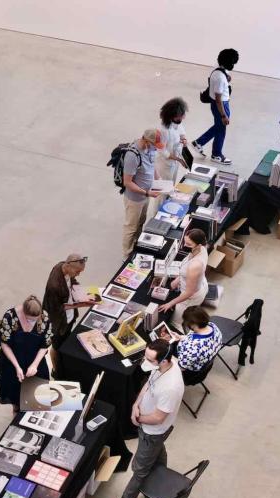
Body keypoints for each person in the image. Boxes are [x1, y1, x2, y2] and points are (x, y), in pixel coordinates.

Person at [101, 340, 184, 498]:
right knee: (156, 450)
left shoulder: (171, 387)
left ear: (164, 360)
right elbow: (148, 384)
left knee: (139, 470)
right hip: (152, 433)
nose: (145, 362)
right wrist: (136, 405)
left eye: (150, 360)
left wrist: (137, 419)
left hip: (153, 432)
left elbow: (158, 418)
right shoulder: (164, 365)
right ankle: (160, 474)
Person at [0, 295, 53, 413]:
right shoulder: (10, 317)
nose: (32, 322)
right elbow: (4, 344)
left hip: (35, 360)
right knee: (15, 396)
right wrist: (17, 367)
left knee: (37, 397)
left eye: (35, 319)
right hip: (14, 361)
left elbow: (45, 345)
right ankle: (16, 412)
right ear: (23, 313)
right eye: (29, 319)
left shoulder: (45, 317)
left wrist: (34, 365)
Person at [42, 254, 95, 377]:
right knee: (56, 347)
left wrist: (83, 293)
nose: (78, 274)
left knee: (64, 344)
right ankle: (56, 371)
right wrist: (81, 304)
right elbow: (57, 309)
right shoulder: (54, 286)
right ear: (69, 266)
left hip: (68, 318)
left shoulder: (63, 266)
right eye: (77, 271)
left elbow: (72, 281)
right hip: (58, 323)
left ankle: (63, 366)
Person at [121, 129, 165, 258]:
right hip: (135, 199)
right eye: (155, 146)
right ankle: (126, 255)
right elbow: (127, 182)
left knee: (141, 221)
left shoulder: (149, 149)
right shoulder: (132, 156)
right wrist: (147, 193)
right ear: (147, 141)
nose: (156, 149)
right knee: (131, 227)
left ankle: (136, 245)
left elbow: (152, 165)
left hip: (146, 195)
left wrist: (159, 181)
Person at [192, 48, 240, 166]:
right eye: (233, 63)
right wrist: (223, 115)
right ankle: (215, 154)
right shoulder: (220, 78)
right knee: (221, 129)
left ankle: (201, 144)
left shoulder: (217, 71)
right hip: (221, 104)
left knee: (219, 127)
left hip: (218, 103)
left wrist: (227, 78)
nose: (233, 66)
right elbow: (218, 99)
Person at [158, 229, 209, 327]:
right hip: (199, 284)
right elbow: (187, 273)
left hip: (190, 297)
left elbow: (189, 292)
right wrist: (177, 281)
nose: (185, 245)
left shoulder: (195, 265)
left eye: (189, 244)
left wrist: (170, 303)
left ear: (199, 245)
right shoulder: (202, 248)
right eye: (185, 242)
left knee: (176, 322)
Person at [171, 306, 222, 384]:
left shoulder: (193, 348)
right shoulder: (213, 326)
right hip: (200, 363)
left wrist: (169, 357)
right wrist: (181, 337)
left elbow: (180, 368)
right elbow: (193, 338)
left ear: (193, 325)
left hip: (188, 373)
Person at [157, 98, 189, 184]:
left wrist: (184, 139)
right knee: (166, 188)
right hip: (166, 165)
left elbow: (181, 131)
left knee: (172, 184)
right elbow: (162, 151)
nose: (183, 118)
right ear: (171, 116)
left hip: (175, 160)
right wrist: (179, 160)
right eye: (180, 116)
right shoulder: (163, 131)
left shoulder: (176, 121)